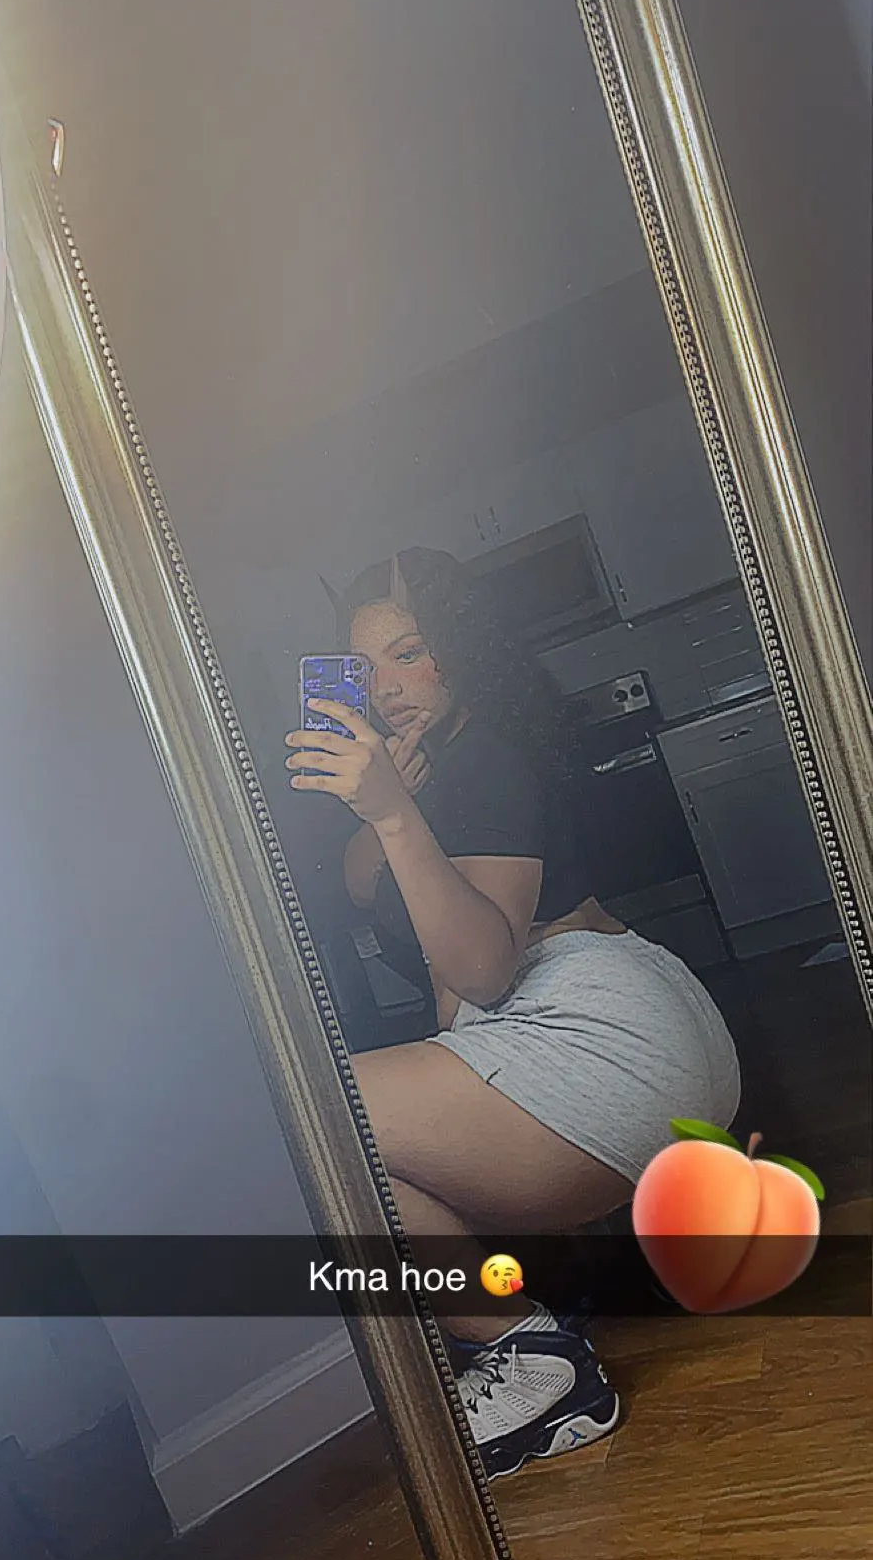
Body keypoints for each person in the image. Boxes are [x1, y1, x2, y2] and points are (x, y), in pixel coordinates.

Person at [285, 547, 741, 1480]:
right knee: (337, 1133)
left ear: (463, 650)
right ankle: (530, 1336)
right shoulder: (432, 768)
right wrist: (390, 806)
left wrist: (398, 815)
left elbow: (484, 973)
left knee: (320, 1120)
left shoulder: (485, 759)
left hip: (602, 1032)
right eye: (365, 667)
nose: (389, 686)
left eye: (411, 652)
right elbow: (357, 883)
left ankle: (531, 1359)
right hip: (632, 1027)